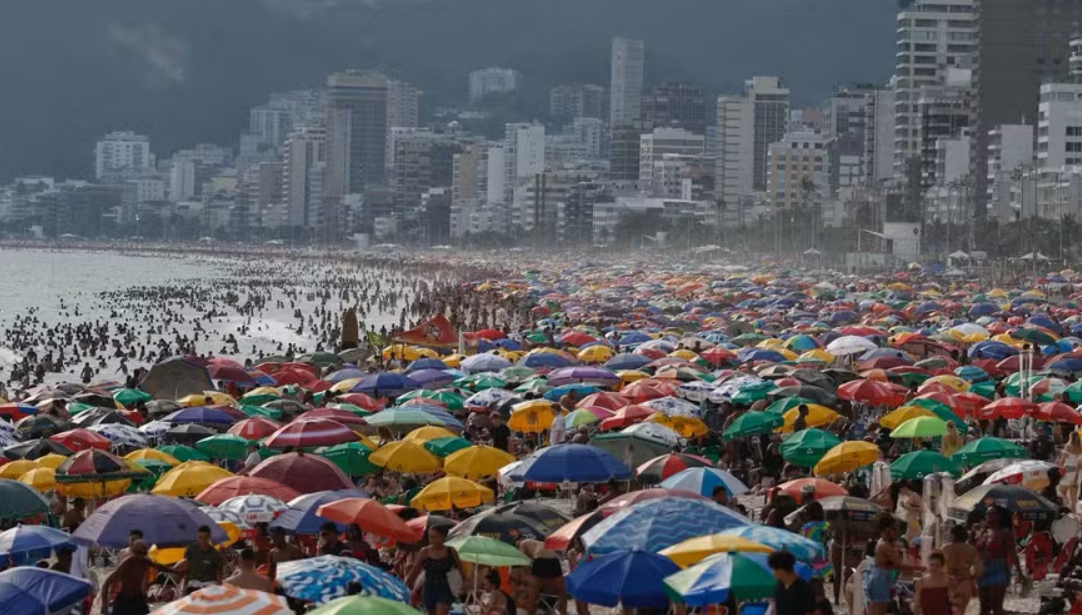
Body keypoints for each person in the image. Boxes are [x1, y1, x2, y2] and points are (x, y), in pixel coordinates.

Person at [864, 514, 924, 615]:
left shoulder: (883, 542)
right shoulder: (885, 546)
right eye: (893, 528)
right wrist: (921, 568)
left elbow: (889, 564)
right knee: (879, 611)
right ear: (887, 528)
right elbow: (899, 566)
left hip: (880, 578)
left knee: (877, 610)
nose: (895, 531)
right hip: (881, 580)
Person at [407, 525, 465, 615]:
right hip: (429, 587)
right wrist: (407, 584)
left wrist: (466, 583)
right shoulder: (424, 551)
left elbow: (460, 567)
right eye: (430, 537)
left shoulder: (450, 550)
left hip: (445, 587)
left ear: (443, 537)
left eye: (435, 537)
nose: (432, 540)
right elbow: (415, 569)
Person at [975, 506, 1023, 615]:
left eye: (991, 514)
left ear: (999, 516)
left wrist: (1020, 572)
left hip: (998, 567)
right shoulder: (983, 532)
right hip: (983, 568)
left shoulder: (1005, 533)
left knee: (996, 607)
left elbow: (1012, 553)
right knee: (983, 608)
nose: (988, 516)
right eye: (987, 514)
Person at [100, 540, 166, 615]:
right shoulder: (126, 565)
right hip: (125, 600)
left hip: (136, 600)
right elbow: (108, 584)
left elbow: (146, 582)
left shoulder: (144, 563)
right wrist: (105, 603)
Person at [517, 538, 567, 615]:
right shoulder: (536, 543)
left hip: (540, 559)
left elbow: (523, 561)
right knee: (562, 595)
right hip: (554, 560)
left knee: (533, 599)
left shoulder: (522, 543)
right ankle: (562, 612)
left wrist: (525, 577)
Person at [940, 524, 981, 615]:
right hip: (965, 582)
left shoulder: (945, 548)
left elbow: (937, 566)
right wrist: (972, 577)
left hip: (948, 581)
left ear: (953, 535)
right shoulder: (971, 549)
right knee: (960, 611)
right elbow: (979, 569)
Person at [177, 525, 226, 593]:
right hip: (192, 586)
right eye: (200, 538)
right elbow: (187, 571)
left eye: (205, 538)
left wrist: (219, 594)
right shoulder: (191, 549)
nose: (202, 540)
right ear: (197, 537)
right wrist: (184, 591)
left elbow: (219, 578)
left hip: (209, 586)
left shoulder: (216, 555)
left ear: (209, 538)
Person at [769, 550, 820, 615]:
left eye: (774, 569)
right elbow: (777, 607)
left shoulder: (804, 589)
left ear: (781, 570)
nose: (773, 573)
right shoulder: (780, 584)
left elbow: (810, 613)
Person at [799, 501, 833, 591]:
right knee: (820, 579)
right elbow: (829, 538)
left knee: (810, 579)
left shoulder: (805, 527)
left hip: (808, 554)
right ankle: (820, 594)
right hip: (822, 554)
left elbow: (801, 541)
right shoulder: (827, 525)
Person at [1060, 431, 1082, 512]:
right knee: (1074, 498)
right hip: (1078, 473)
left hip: (1068, 472)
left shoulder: (1068, 446)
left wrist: (1058, 466)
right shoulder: (1081, 447)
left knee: (1061, 492)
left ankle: (1064, 508)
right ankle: (1074, 514)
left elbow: (1062, 460)